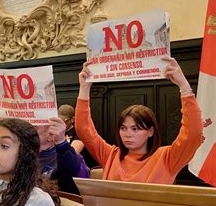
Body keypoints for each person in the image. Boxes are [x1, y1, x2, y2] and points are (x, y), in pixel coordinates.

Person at [75, 56, 203, 183]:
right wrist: (84, 89)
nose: (128, 134)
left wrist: (184, 87)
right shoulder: (111, 155)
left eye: (135, 128)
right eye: (123, 128)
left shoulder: (167, 158)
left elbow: (193, 134)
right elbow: (83, 129)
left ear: (151, 131)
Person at [36, 116, 90, 194]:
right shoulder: (24, 156)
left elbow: (72, 180)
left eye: (34, 129)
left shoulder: (68, 157)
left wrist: (61, 143)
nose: (27, 132)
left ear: (50, 135)